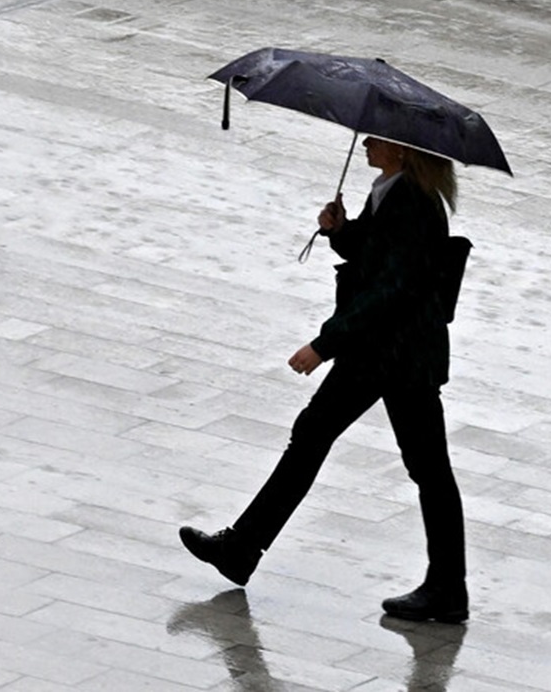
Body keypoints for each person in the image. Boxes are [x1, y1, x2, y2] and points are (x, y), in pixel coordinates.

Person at [179, 136, 468, 623]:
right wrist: (340, 230)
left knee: (425, 467)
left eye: (377, 139)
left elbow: (389, 292)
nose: (367, 144)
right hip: (387, 353)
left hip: (394, 356)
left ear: (400, 151)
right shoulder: (393, 192)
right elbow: (376, 258)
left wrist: (324, 344)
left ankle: (447, 588)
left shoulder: (413, 203)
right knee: (325, 439)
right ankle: (242, 549)